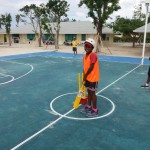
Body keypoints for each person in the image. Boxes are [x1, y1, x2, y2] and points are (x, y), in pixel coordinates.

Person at [80, 38, 100, 117]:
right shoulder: (85, 56)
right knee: (89, 93)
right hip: (87, 78)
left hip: (93, 78)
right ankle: (88, 106)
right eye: (86, 46)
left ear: (92, 48)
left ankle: (95, 110)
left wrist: (85, 76)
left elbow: (91, 67)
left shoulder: (93, 55)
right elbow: (85, 68)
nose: (86, 48)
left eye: (88, 46)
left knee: (93, 94)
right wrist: (83, 77)